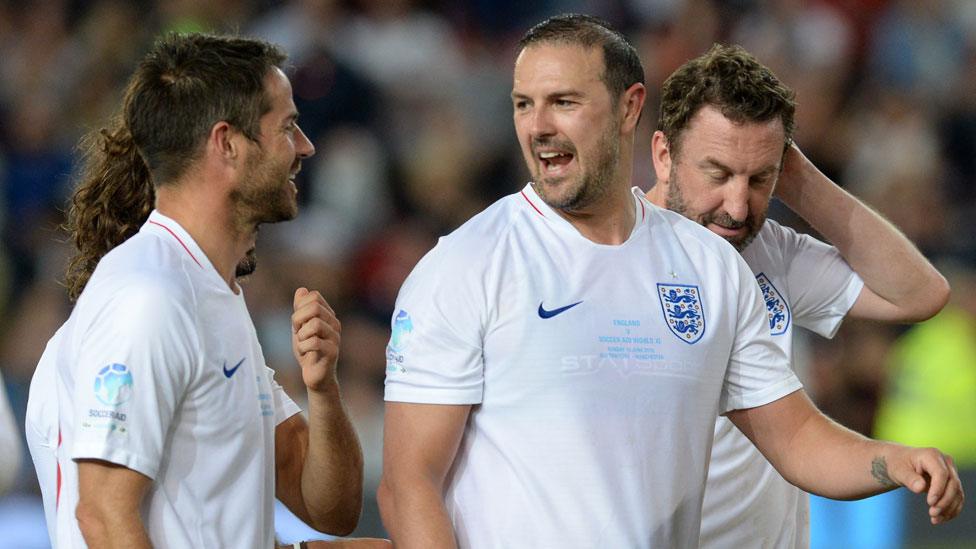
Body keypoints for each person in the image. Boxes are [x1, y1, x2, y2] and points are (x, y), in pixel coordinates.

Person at [377, 14, 963, 549]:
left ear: (631, 107)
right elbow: (409, 484)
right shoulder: (464, 265)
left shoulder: (714, 267)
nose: (540, 127)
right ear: (664, 153)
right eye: (524, 105)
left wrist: (896, 461)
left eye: (564, 102)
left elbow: (796, 440)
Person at [23, 33, 372, 548]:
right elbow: (102, 516)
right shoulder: (149, 299)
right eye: (288, 127)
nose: (305, 147)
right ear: (227, 144)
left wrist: (322, 390)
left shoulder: (211, 295)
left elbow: (328, 506)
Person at [644, 44, 954, 548]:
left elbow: (919, 294)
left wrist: (798, 179)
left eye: (759, 178)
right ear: (663, 154)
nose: (737, 207)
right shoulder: (616, 257)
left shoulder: (771, 250)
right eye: (718, 174)